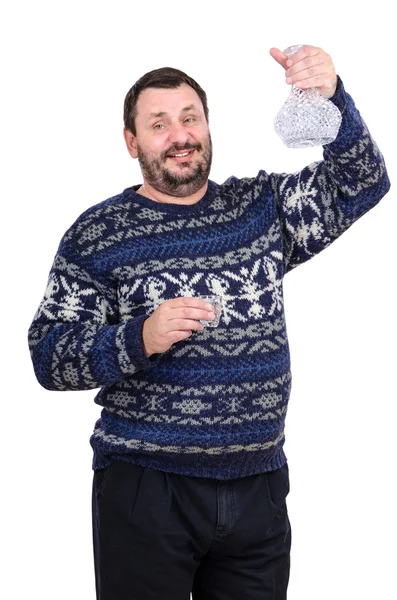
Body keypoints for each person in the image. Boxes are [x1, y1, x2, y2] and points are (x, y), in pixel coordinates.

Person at [28, 45, 390, 600]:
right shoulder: (99, 233)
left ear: (207, 125)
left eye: (190, 117)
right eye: (160, 123)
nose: (180, 135)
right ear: (132, 141)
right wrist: (139, 337)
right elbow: (49, 356)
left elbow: (361, 183)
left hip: (258, 487)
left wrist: (330, 94)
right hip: (147, 488)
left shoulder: (260, 208)